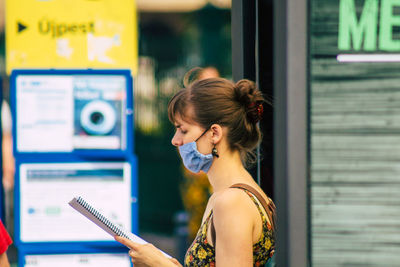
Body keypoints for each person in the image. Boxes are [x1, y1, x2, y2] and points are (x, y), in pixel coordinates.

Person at [116, 69, 276, 267]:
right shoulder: (236, 194)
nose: (175, 141)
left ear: (214, 134)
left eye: (183, 130)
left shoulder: (231, 202)